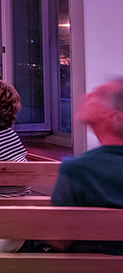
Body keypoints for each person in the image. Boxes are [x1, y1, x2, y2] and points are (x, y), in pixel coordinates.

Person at [50, 76, 123, 254]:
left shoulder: (77, 169)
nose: (85, 96)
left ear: (113, 116)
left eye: (97, 94)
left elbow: (58, 240)